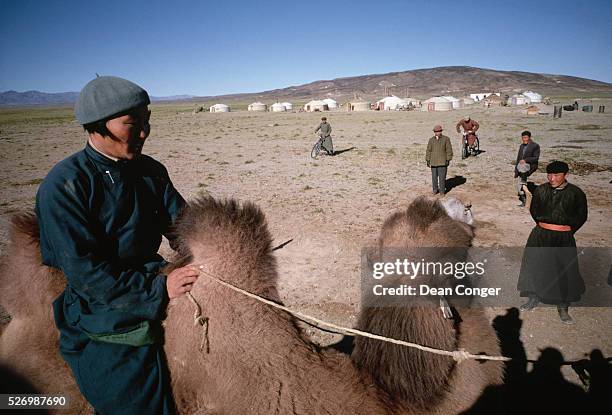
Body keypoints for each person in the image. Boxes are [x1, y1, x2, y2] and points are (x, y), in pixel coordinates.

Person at [35, 76, 199, 413]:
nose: (144, 132)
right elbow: (86, 273)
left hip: (152, 273)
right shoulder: (65, 185)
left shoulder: (151, 170)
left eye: (147, 120)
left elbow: (183, 226)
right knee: (134, 401)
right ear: (97, 126)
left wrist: (211, 250)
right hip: (102, 305)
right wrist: (159, 290)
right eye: (132, 123)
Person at [517, 161, 588, 324]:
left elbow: (581, 216)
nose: (552, 178)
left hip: (563, 237)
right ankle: (533, 297)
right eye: (549, 175)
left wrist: (565, 231)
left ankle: (562, 306)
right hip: (540, 234)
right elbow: (534, 211)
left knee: (563, 269)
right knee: (535, 265)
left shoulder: (576, 193)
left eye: (556, 175)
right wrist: (546, 227)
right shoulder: (541, 190)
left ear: (566, 175)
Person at [514, 131, 540, 207]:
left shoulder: (535, 146)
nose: (524, 139)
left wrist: (526, 160)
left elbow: (536, 158)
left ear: (529, 137)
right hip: (521, 168)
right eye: (523, 138)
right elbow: (518, 159)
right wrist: (516, 171)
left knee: (523, 166)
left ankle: (523, 180)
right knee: (519, 186)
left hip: (530, 166)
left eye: (525, 137)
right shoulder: (521, 146)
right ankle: (524, 200)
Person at [426, 125, 453, 195]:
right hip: (433, 162)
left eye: (439, 131)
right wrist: (428, 160)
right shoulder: (431, 140)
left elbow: (449, 150)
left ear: (441, 131)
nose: (437, 133)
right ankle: (435, 190)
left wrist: (448, 159)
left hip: (442, 162)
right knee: (434, 178)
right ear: (434, 132)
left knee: (442, 178)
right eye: (436, 131)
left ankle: (442, 192)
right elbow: (428, 150)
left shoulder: (446, 139)